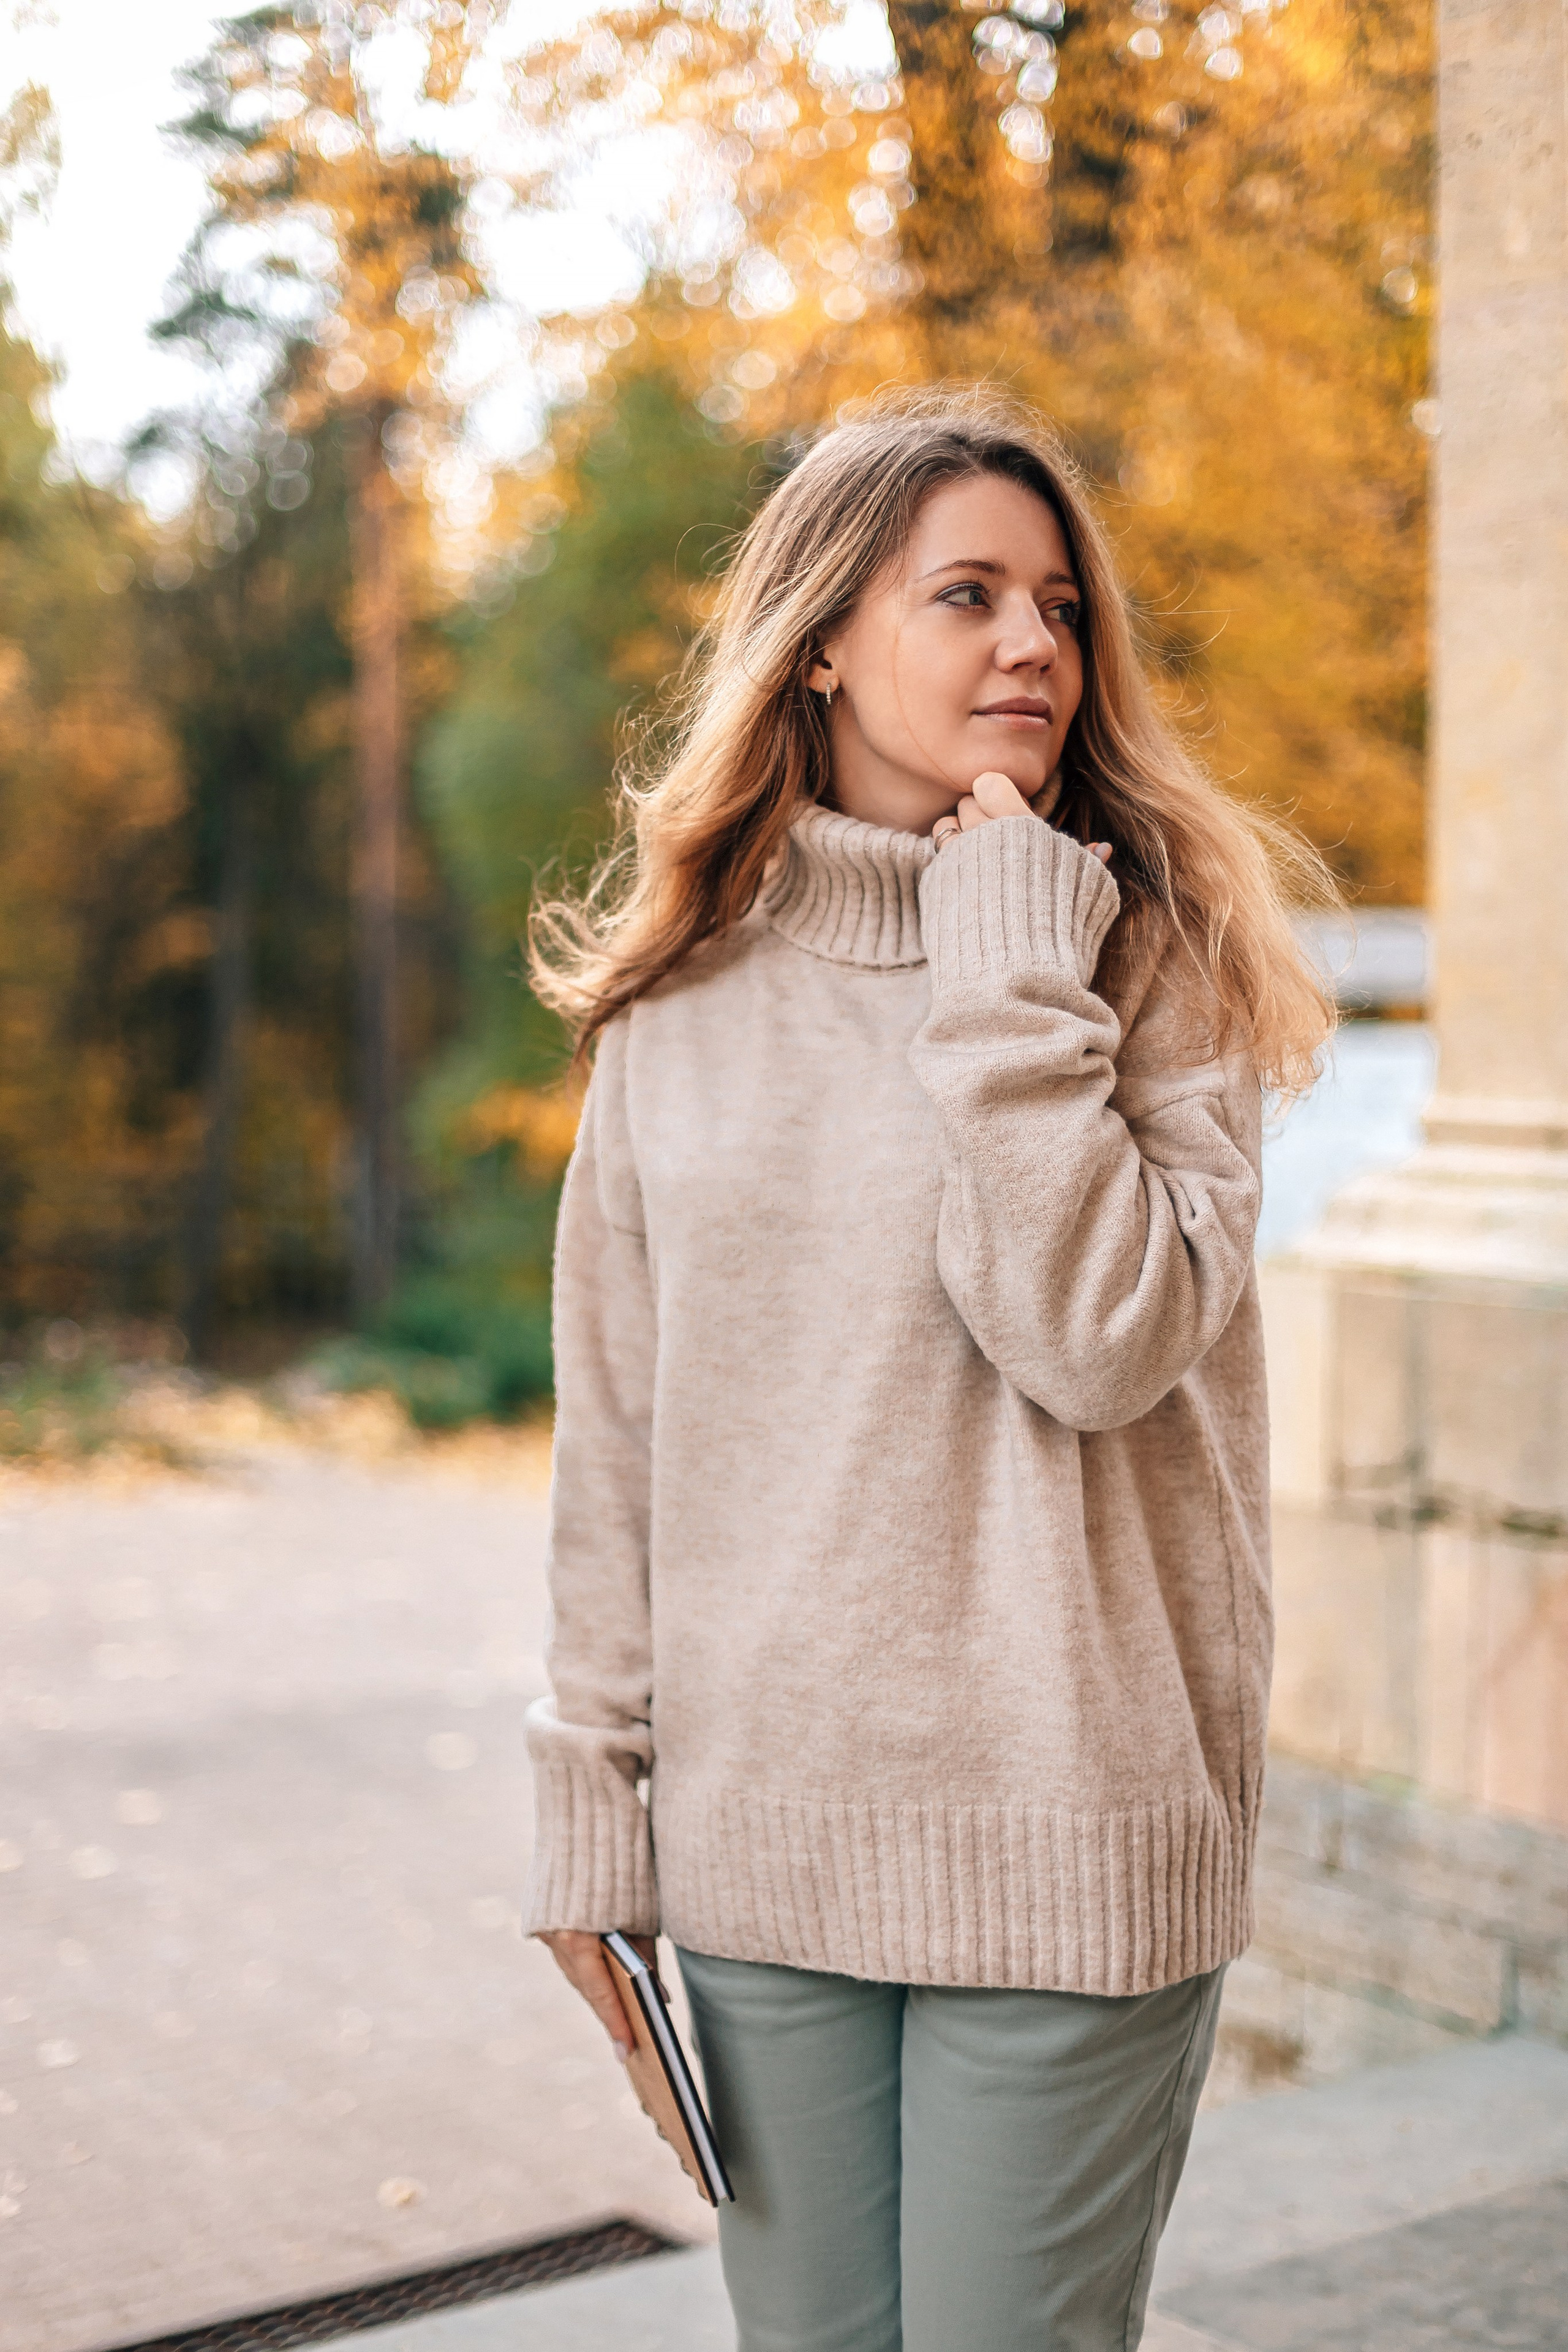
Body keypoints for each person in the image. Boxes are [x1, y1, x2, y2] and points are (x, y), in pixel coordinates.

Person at [522, 386, 1332, 2352]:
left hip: (1073, 1830)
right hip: (765, 1851)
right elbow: (622, 1445)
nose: (1035, 643)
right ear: (819, 642)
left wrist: (1002, 974)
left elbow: (1101, 1338)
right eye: (965, 594)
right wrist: (589, 1811)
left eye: (1057, 602)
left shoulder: (1154, 964)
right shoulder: (676, 1009)